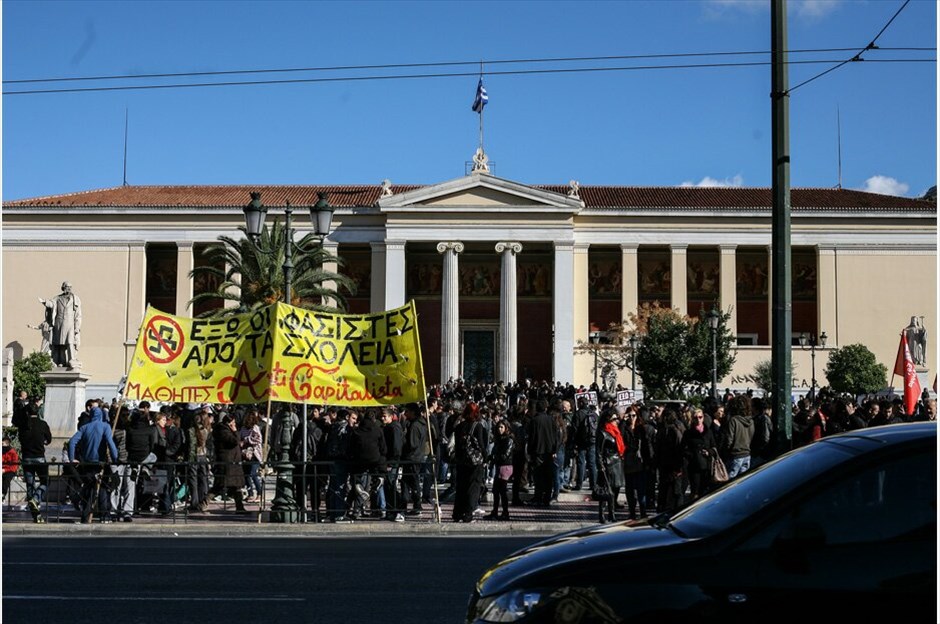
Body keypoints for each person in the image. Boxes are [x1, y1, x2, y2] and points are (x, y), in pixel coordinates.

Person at [68, 401, 119, 523]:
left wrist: (72, 458)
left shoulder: (84, 427)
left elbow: (72, 442)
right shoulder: (105, 426)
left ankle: (86, 515)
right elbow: (111, 445)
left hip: (86, 463)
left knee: (88, 489)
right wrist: (115, 458)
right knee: (102, 489)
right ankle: (104, 516)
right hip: (100, 462)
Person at [452, 401, 487, 523]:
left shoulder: (459, 427)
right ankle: (468, 513)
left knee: (461, 486)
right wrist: (485, 457)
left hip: (461, 460)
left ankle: (457, 513)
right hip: (475, 461)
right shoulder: (478, 426)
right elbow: (482, 445)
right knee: (473, 487)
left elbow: (456, 445)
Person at [18, 403, 52, 523]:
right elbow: (49, 439)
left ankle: (36, 515)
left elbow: (21, 440)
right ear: (37, 412)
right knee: (46, 481)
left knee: (30, 485)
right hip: (39, 457)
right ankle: (36, 499)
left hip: (27, 458)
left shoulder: (23, 426)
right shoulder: (42, 424)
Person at [40, 281, 82, 369]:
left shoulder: (75, 298)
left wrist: (77, 327)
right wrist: (45, 302)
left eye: (70, 286)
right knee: (60, 343)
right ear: (63, 288)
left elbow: (78, 315)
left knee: (70, 342)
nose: (69, 288)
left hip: (70, 323)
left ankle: (72, 360)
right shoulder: (57, 298)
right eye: (67, 286)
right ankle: (60, 361)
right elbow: (51, 304)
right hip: (59, 323)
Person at [526, 399, 559, 507]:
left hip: (538, 451)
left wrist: (530, 451)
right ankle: (547, 497)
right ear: (546, 408)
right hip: (549, 451)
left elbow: (532, 437)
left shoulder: (534, 421)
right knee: (548, 476)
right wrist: (555, 450)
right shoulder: (551, 420)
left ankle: (538, 496)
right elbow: (556, 436)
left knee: (538, 476)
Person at [595, 409, 624, 524]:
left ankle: (612, 513)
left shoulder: (616, 432)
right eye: (614, 419)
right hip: (608, 464)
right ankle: (602, 515)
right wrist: (600, 466)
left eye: (617, 418)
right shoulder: (603, 433)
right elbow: (598, 451)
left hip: (617, 462)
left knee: (616, 488)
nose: (617, 421)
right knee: (606, 490)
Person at [681, 408, 717, 501]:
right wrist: (692, 454)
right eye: (696, 417)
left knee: (705, 490)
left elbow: (714, 447)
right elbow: (683, 449)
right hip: (694, 466)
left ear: (703, 418)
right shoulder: (688, 433)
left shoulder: (708, 431)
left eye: (700, 417)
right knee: (695, 491)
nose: (698, 419)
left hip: (707, 466)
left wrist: (709, 451)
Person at [400, 403, 429, 516]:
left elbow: (412, 444)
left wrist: (403, 442)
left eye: (407, 411)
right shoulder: (419, 424)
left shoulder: (415, 426)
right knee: (408, 482)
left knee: (412, 482)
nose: (405, 413)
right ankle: (407, 503)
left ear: (412, 412)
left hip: (412, 457)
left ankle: (416, 504)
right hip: (416, 456)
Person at [720, 395, 755, 479]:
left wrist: (726, 452)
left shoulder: (733, 420)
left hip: (735, 454)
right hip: (746, 454)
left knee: (730, 481)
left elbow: (729, 439)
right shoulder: (751, 421)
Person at [489, 419, 514, 521]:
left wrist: (494, 458)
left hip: (505, 466)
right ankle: (495, 511)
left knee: (502, 491)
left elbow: (505, 455)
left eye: (502, 427)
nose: (500, 429)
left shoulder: (509, 440)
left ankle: (505, 512)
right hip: (499, 466)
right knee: (496, 490)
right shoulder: (499, 440)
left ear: (506, 428)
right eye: (498, 427)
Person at [239, 412, 263, 503]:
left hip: (255, 455)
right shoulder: (243, 429)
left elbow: (258, 439)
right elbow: (240, 437)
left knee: (253, 473)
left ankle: (259, 493)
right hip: (245, 455)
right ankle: (250, 493)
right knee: (246, 475)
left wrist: (246, 440)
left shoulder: (255, 428)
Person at [1, 436, 20, 508]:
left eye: (3, 444)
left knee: (6, 479)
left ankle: (2, 495)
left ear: (7, 443)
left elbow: (14, 466)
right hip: (2, 469)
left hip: (10, 470)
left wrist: (5, 470)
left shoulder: (13, 452)